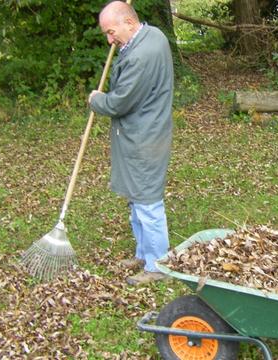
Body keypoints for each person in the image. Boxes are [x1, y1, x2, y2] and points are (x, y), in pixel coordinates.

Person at [88, 0, 173, 285]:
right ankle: (142, 252)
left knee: (148, 201)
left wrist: (96, 100)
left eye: (111, 32)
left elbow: (120, 102)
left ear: (129, 22)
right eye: (107, 35)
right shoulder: (153, 35)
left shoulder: (142, 55)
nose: (110, 40)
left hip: (145, 138)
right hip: (142, 133)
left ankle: (157, 263)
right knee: (137, 197)